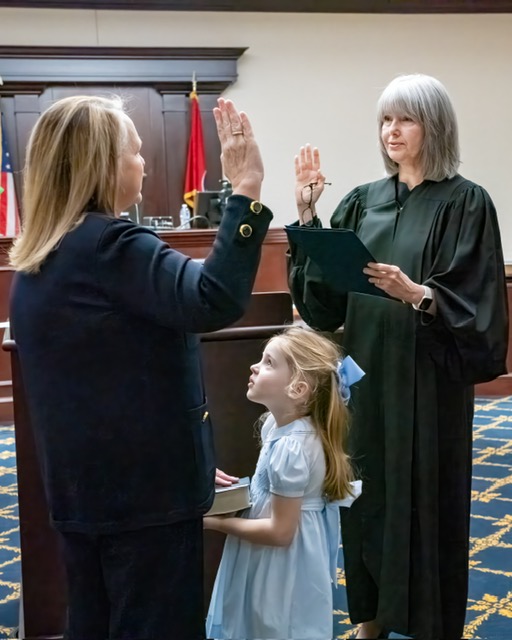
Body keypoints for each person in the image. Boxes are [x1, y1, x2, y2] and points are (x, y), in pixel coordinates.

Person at [8, 94, 272, 640]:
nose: (144, 162)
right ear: (103, 164)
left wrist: (193, 464)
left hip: (83, 491)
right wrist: (245, 188)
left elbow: (113, 384)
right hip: (146, 502)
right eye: (135, 151)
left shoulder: (43, 254)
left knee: (94, 621)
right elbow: (213, 298)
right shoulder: (113, 245)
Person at [287, 74, 509, 640]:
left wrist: (417, 294)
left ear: (433, 127)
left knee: (426, 499)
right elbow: (324, 303)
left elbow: (480, 303)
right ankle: (371, 618)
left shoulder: (466, 202)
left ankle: (431, 624)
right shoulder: (363, 201)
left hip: (429, 382)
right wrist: (309, 220)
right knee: (368, 497)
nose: (392, 130)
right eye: (386, 119)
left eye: (405, 119)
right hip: (365, 376)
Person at [204, 325, 363, 640]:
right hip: (270, 556)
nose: (254, 366)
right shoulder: (276, 429)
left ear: (298, 388)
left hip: (282, 568)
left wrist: (215, 523)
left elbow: (280, 532)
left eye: (268, 363)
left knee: (276, 624)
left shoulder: (294, 448)